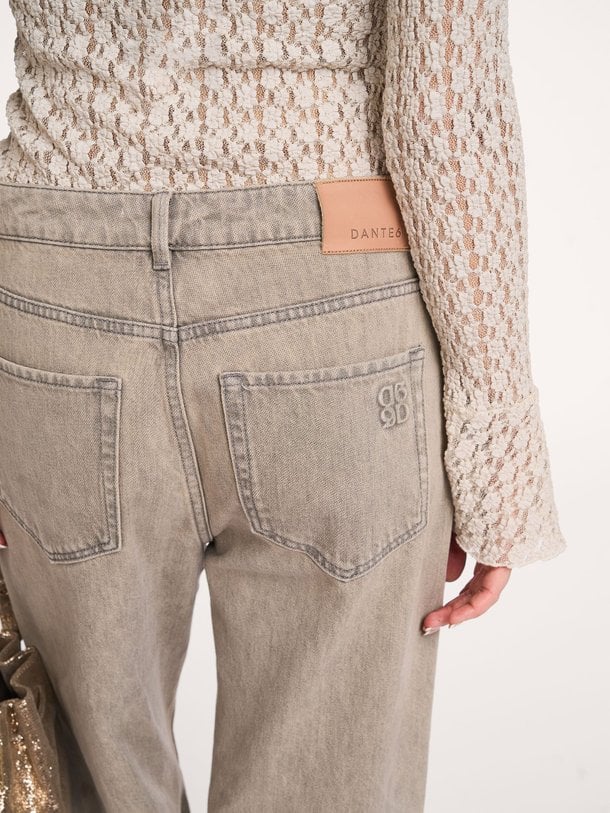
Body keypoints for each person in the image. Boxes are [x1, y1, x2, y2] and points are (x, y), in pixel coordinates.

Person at [0, 0, 567, 810]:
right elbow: (444, 108)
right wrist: (497, 447)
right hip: (332, 312)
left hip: (52, 296)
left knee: (76, 775)